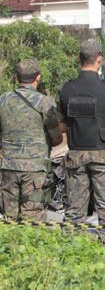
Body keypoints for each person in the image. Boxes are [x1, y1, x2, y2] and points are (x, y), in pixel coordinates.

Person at [57, 39, 105, 243]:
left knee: (74, 209)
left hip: (76, 154)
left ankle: (71, 249)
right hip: (103, 155)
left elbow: (61, 126)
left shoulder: (66, 89)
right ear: (100, 60)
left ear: (79, 58)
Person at [0, 59, 63, 220]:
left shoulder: (3, 100)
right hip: (35, 170)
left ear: (16, 77)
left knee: (9, 217)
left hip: (8, 167)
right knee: (32, 218)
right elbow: (57, 139)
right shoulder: (44, 102)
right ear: (38, 77)